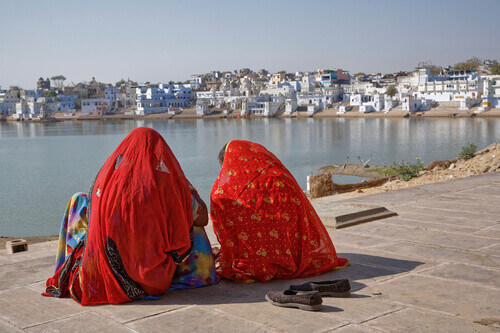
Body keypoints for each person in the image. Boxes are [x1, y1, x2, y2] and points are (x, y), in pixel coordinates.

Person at [44, 127, 217, 305]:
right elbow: (202, 217)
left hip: (110, 273)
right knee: (190, 225)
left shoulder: (111, 184)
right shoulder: (169, 186)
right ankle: (195, 275)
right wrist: (181, 182)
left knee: (79, 200)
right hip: (154, 280)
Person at [210, 140, 349, 283]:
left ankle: (264, 261)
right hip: (290, 250)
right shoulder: (279, 176)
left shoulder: (233, 191)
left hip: (256, 258)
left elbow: (218, 201)